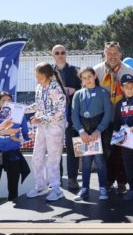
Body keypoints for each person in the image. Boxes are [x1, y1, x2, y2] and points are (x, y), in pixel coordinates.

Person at [94, 41, 133, 194]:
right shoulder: (97, 71)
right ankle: (107, 181)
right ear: (104, 54)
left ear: (121, 54)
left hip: (124, 119)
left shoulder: (129, 71)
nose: (112, 56)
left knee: (122, 153)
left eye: (115, 53)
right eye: (109, 53)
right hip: (103, 120)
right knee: (106, 152)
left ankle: (122, 182)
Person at [25, 62, 67, 202]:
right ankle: (40, 185)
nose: (36, 78)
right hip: (42, 127)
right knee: (37, 156)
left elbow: (60, 112)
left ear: (47, 75)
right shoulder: (39, 87)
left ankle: (56, 188)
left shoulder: (56, 88)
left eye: (38, 76)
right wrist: (20, 109)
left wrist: (40, 118)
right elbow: (38, 105)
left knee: (53, 159)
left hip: (55, 127)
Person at [71, 67, 112, 201]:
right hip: (83, 133)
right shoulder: (78, 94)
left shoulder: (103, 93)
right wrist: (81, 131)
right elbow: (74, 114)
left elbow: (108, 113)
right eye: (84, 77)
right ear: (81, 80)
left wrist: (98, 130)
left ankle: (103, 188)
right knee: (86, 162)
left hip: (98, 132)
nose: (87, 79)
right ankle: (84, 189)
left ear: (95, 76)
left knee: (100, 161)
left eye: (89, 76)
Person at [52, 44, 81, 190]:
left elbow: (83, 91)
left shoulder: (76, 71)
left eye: (62, 52)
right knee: (54, 148)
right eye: (57, 52)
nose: (60, 54)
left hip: (73, 116)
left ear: (66, 54)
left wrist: (71, 90)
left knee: (74, 147)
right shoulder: (48, 71)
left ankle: (73, 179)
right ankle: (56, 178)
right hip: (53, 118)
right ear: (53, 55)